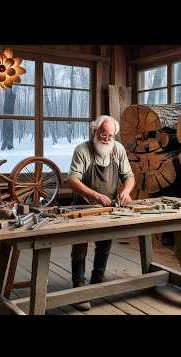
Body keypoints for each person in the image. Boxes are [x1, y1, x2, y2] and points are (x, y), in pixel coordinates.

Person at [67, 115, 135, 311]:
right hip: (83, 207)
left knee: (104, 242)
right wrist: (94, 195)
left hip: (109, 207)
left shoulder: (118, 150)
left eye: (110, 136)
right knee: (80, 246)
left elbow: (129, 176)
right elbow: (72, 180)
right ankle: (79, 286)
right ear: (95, 131)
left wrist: (125, 190)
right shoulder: (83, 150)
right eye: (102, 134)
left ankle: (98, 280)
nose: (106, 138)